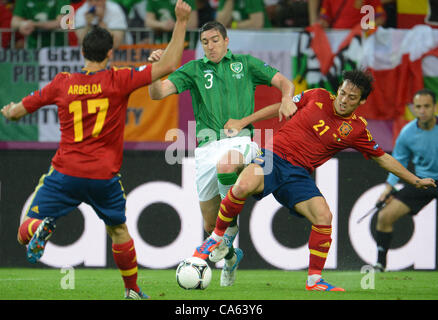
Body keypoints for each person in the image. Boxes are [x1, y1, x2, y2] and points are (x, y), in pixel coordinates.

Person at [1, 0, 192, 300]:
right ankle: (131, 291)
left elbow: (19, 111)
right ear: (110, 53)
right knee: (118, 232)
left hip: (65, 172)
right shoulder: (119, 79)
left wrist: (10, 110)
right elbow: (168, 65)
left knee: (24, 229)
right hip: (103, 176)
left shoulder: (62, 83)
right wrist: (180, 21)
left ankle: (42, 225)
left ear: (82, 51)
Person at [193, 70, 437, 291]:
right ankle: (215, 239)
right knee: (243, 186)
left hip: (298, 175)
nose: (344, 100)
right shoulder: (317, 96)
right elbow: (282, 106)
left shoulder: (356, 130)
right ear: (337, 90)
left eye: (352, 98)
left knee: (324, 217)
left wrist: (414, 180)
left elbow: (382, 158)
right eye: (342, 93)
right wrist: (244, 121)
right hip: (273, 158)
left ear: (362, 101)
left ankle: (314, 280)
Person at [147, 20, 295, 287]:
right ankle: (229, 256)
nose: (210, 46)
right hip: (205, 149)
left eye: (215, 40)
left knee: (227, 167)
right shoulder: (193, 69)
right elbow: (157, 94)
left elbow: (285, 83)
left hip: (239, 140)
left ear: (227, 41)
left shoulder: (246, 63)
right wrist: (155, 71)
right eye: (205, 42)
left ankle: (227, 235)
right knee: (209, 222)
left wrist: (286, 97)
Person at [374, 89, 438, 272]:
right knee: (385, 216)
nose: (423, 110)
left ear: (434, 107)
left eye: (427, 106)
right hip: (422, 182)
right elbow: (398, 163)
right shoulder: (407, 133)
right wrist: (388, 189)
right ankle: (380, 264)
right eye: (418, 107)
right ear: (414, 109)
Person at [318, 0, 386, 29]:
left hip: (361, 40)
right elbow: (325, 18)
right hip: (338, 40)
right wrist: (322, 23)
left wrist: (366, 27)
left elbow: (380, 18)